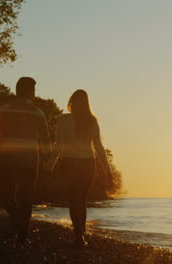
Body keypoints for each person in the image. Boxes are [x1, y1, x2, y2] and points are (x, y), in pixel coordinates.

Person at [49, 89, 113, 248]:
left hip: (70, 164)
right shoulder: (92, 120)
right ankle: (80, 235)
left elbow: (58, 147)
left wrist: (49, 165)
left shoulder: (63, 119)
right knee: (81, 200)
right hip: (87, 164)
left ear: (71, 102)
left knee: (74, 200)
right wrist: (107, 170)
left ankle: (78, 235)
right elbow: (99, 147)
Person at [0, 77, 52, 244]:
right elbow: (45, 140)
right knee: (26, 195)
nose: (34, 93)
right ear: (28, 91)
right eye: (33, 90)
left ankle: (17, 225)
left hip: (6, 156)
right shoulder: (37, 112)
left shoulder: (3, 110)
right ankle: (22, 233)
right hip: (28, 158)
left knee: (7, 194)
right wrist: (48, 159)